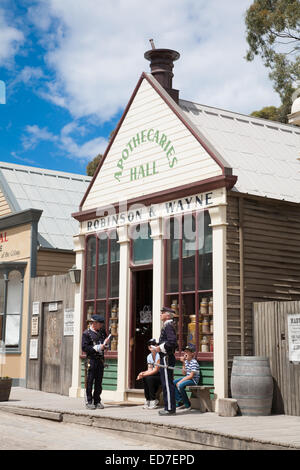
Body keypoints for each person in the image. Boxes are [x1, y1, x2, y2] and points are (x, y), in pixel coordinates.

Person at [82, 314, 110, 410]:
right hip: (91, 359)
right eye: (100, 324)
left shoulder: (102, 332)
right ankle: (89, 401)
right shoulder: (86, 333)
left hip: (100, 360)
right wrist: (97, 348)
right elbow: (85, 347)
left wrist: (105, 345)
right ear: (94, 323)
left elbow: (105, 343)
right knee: (90, 381)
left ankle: (97, 400)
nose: (101, 326)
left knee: (99, 381)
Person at [152, 307, 178, 416]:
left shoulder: (168, 326)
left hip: (166, 357)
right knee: (166, 382)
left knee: (167, 383)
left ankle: (170, 408)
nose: (160, 314)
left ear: (168, 315)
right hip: (165, 356)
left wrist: (159, 348)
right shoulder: (168, 325)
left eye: (162, 313)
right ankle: (169, 407)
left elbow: (172, 342)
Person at [136, 338, 161, 410]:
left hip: (162, 375)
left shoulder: (159, 355)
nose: (151, 346)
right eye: (149, 344)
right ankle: (148, 400)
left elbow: (156, 370)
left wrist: (143, 374)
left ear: (156, 346)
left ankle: (153, 400)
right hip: (155, 374)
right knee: (145, 378)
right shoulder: (149, 356)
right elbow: (149, 369)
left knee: (149, 378)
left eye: (153, 344)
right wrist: (141, 374)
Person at [174, 345, 200, 411]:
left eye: (187, 352)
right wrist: (183, 363)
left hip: (193, 380)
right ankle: (180, 401)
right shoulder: (186, 362)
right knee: (173, 383)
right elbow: (184, 373)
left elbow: (191, 376)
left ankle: (187, 404)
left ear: (192, 354)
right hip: (187, 378)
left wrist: (180, 381)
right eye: (185, 352)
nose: (185, 353)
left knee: (180, 385)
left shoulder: (194, 362)